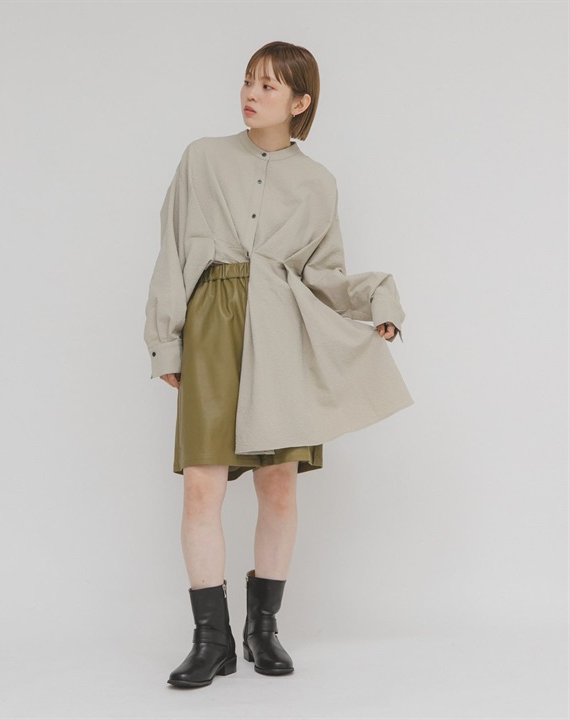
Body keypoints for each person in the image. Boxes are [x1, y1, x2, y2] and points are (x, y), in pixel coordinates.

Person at [143, 41, 413, 689]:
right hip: (212, 324)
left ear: (300, 102)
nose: (251, 93)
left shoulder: (319, 183)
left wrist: (376, 301)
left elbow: (324, 276)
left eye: (268, 85)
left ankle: (262, 631)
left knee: (279, 486)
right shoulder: (202, 158)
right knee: (202, 484)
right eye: (247, 81)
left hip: (284, 331)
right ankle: (211, 641)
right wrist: (166, 341)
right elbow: (172, 250)